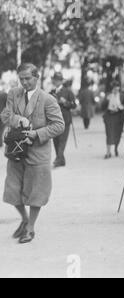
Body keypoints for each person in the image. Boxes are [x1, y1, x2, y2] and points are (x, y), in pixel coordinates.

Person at [0, 63, 65, 244]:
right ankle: (24, 218)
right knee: (13, 190)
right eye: (21, 78)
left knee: (37, 191)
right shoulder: (13, 94)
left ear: (37, 78)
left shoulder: (48, 99)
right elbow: (5, 116)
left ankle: (30, 228)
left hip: (38, 152)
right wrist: (18, 119)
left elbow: (59, 125)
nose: (24, 82)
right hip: (16, 150)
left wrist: (37, 133)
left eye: (28, 78)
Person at [50, 72, 77, 168]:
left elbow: (74, 105)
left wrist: (65, 102)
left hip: (65, 119)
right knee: (56, 140)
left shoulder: (68, 92)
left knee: (62, 140)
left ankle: (58, 159)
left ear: (61, 81)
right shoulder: (52, 91)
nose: (56, 81)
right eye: (55, 80)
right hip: (53, 120)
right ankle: (61, 160)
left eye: (58, 80)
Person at [102, 81, 124, 159]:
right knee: (109, 134)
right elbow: (102, 107)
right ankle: (108, 152)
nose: (115, 90)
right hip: (109, 116)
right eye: (114, 88)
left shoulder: (123, 96)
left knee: (118, 134)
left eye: (117, 88)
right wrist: (106, 100)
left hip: (119, 116)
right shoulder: (108, 95)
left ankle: (116, 148)